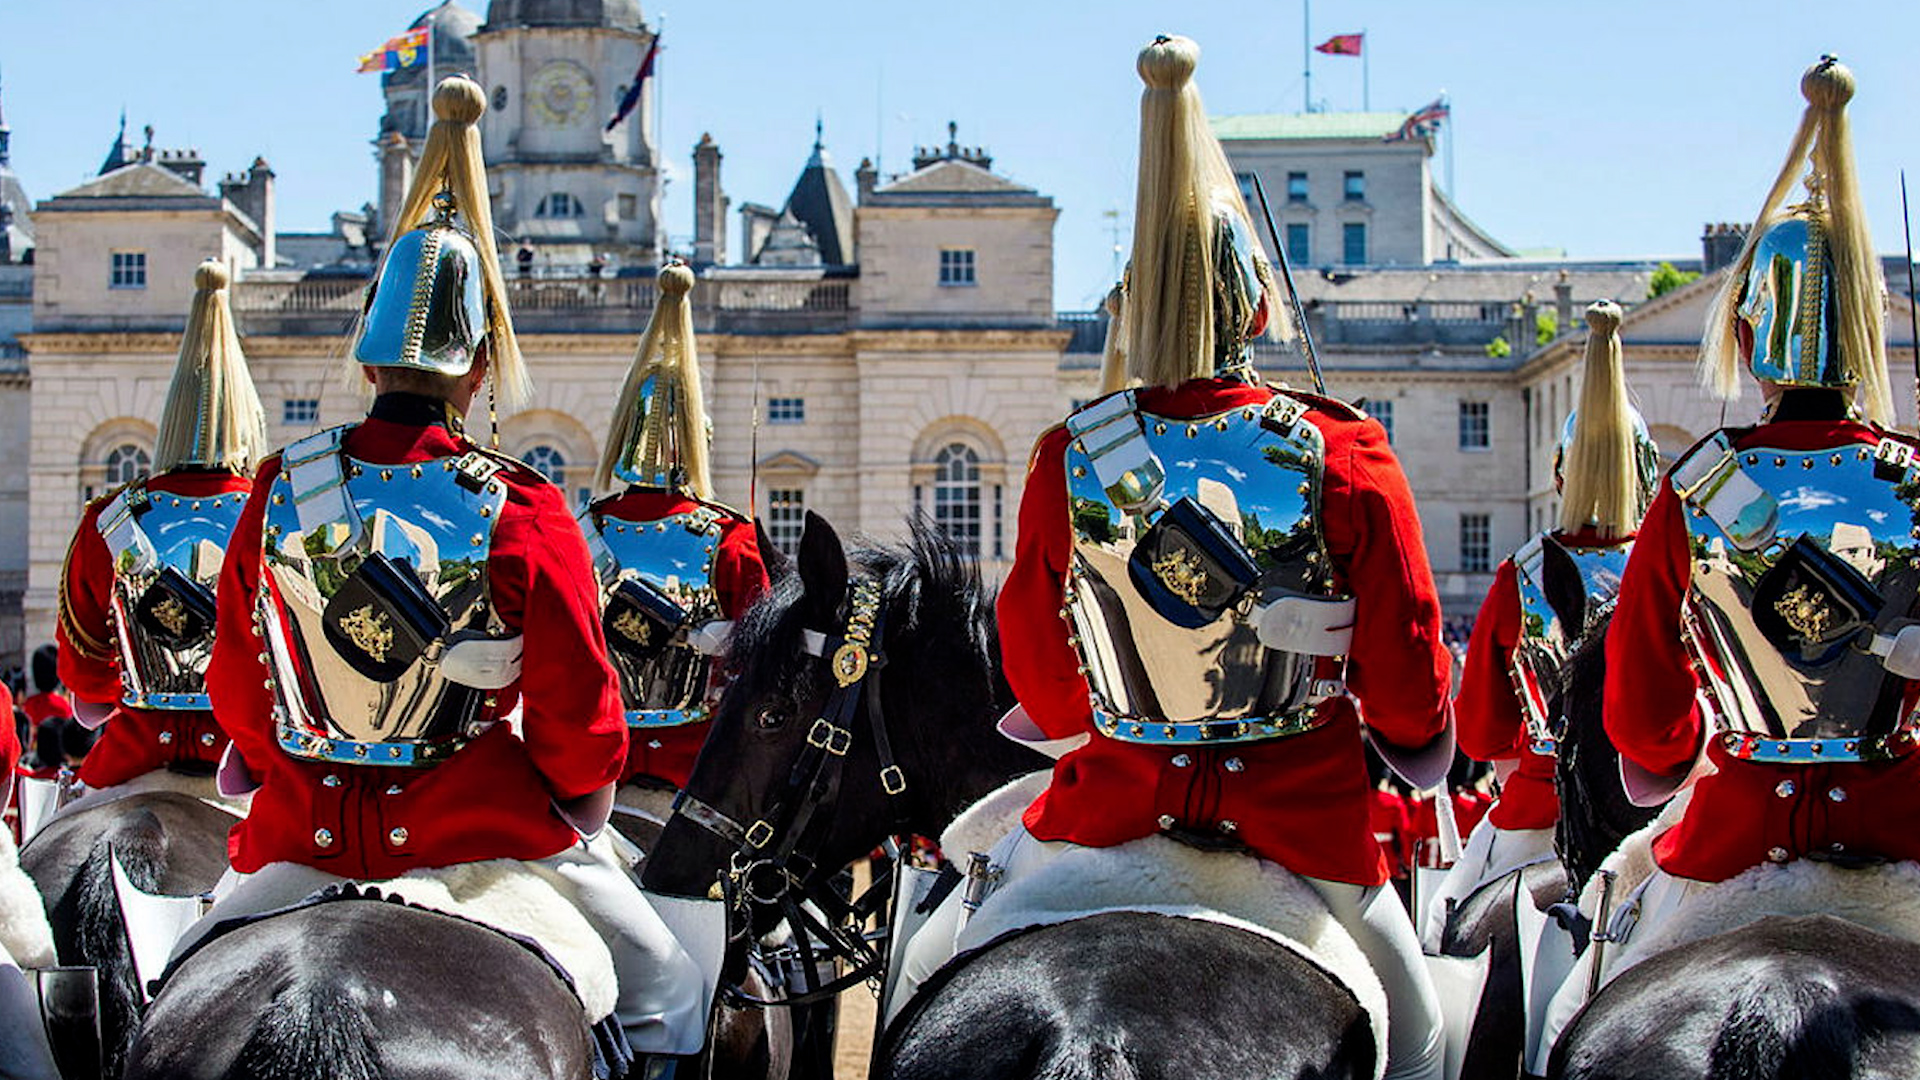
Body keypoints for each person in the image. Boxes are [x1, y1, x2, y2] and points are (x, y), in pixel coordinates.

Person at [903, 36, 1453, 1079]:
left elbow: (1047, 687)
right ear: (1254, 307)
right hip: (1306, 827)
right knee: (1424, 1040)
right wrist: (1414, 736)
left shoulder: (1075, 453)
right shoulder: (1341, 450)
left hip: (1106, 812)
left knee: (931, 966)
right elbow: (1412, 675)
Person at [185, 75, 703, 1074]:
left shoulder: (280, 488)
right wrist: (580, 793)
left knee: (170, 982)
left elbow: (239, 680)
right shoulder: (520, 504)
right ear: (476, 371)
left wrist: (272, 753)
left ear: (370, 362)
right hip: (482, 830)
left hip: (300, 834)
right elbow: (579, 718)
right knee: (670, 995)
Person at [1539, 56, 1919, 1061]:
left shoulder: (1702, 488)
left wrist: (1667, 758)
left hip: (1734, 841)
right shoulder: (1917, 482)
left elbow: (1643, 719)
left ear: (1751, 336)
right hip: (1906, 829)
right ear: (1874, 331)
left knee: (1571, 1013)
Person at [1422, 301, 1657, 948]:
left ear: (1558, 474)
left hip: (1534, 818)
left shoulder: (1519, 575)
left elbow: (1483, 731)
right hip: (1656, 818)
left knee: (1443, 937)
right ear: (1650, 475)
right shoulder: (1676, 571)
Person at [55, 260, 266, 797]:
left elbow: (86, 679)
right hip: (245, 767)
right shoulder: (272, 513)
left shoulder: (109, 519)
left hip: (131, 757)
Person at [579, 261, 767, 793]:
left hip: (593, 769)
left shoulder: (580, 533)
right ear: (698, 443)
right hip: (698, 773)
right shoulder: (730, 542)